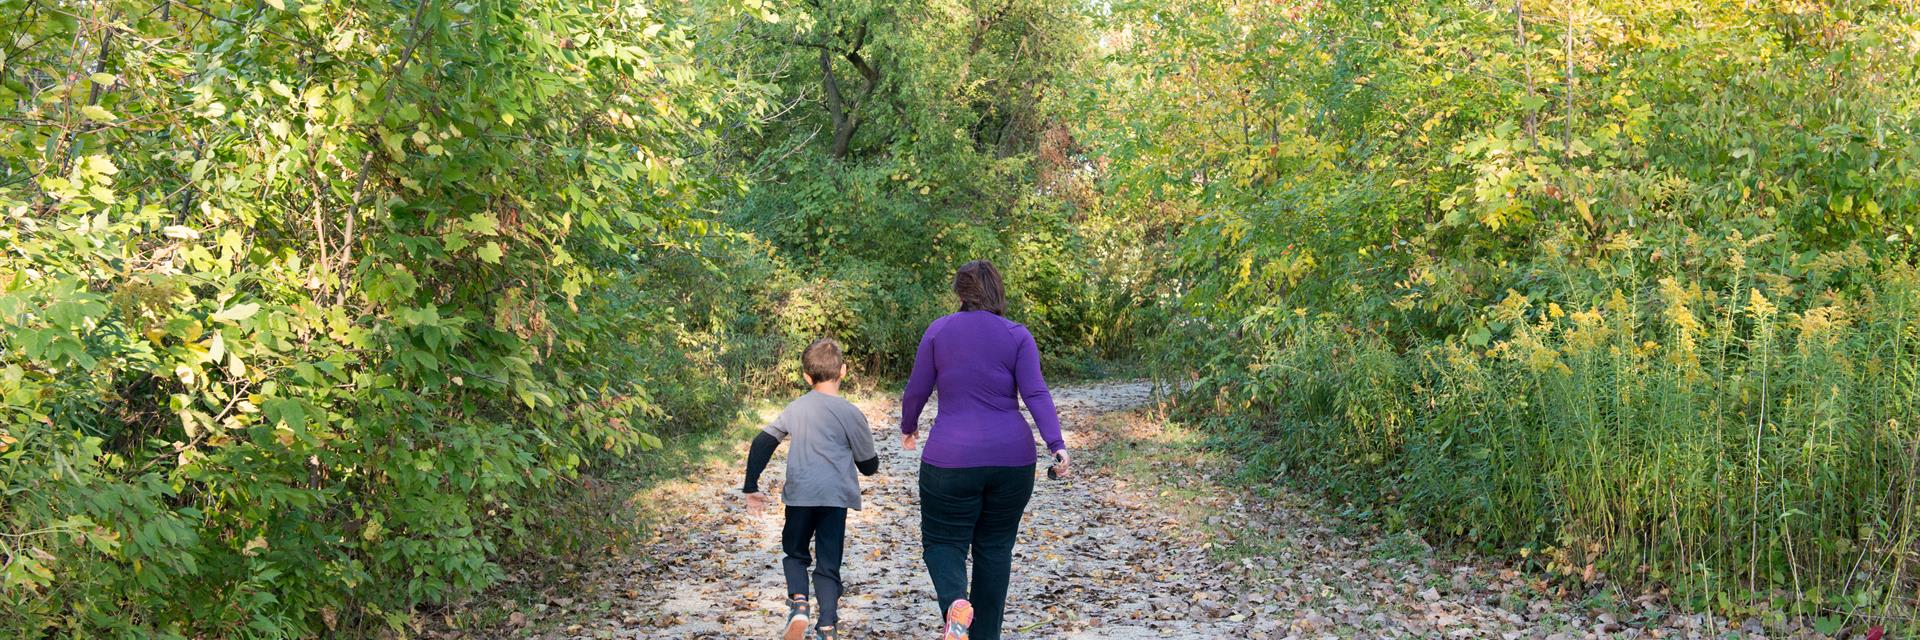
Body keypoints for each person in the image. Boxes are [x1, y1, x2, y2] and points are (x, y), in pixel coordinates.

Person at [900, 259, 1072, 640]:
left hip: (950, 459)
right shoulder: (1017, 335)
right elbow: (1036, 392)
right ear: (997, 290)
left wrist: (908, 427)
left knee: (943, 542)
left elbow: (916, 389)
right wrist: (1056, 444)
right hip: (1013, 461)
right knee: (994, 550)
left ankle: (955, 604)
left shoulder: (938, 331)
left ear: (960, 291)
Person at [742, 338, 880, 640]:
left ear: (807, 376)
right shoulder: (851, 412)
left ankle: (800, 604)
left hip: (801, 495)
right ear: (843, 371)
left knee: (795, 554)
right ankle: (828, 625)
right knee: (828, 563)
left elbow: (763, 442)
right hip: (835, 498)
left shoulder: (796, 407)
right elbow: (869, 465)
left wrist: (751, 485)